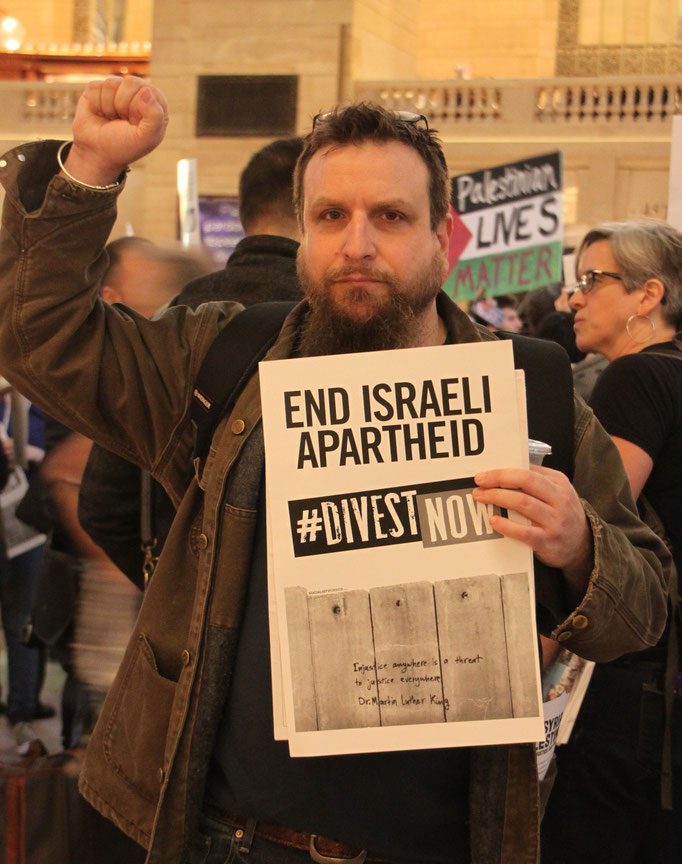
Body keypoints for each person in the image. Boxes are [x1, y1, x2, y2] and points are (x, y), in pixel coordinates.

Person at [0, 76, 672, 864]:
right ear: (305, 236)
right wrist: (86, 173)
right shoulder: (221, 359)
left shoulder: (531, 394)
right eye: (331, 217)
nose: (358, 244)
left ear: (441, 236)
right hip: (219, 840)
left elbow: (646, 607)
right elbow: (35, 334)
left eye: (390, 216)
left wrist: (578, 543)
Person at [78, 138, 304, 586]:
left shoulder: (174, 320)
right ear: (314, 210)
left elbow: (104, 502)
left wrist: (174, 595)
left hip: (186, 626)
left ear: (245, 214)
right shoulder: (340, 318)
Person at [541, 220, 682, 864]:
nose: (575, 297)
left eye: (594, 280)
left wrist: (535, 653)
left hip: (629, 682)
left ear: (648, 295)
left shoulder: (635, 379)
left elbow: (600, 533)